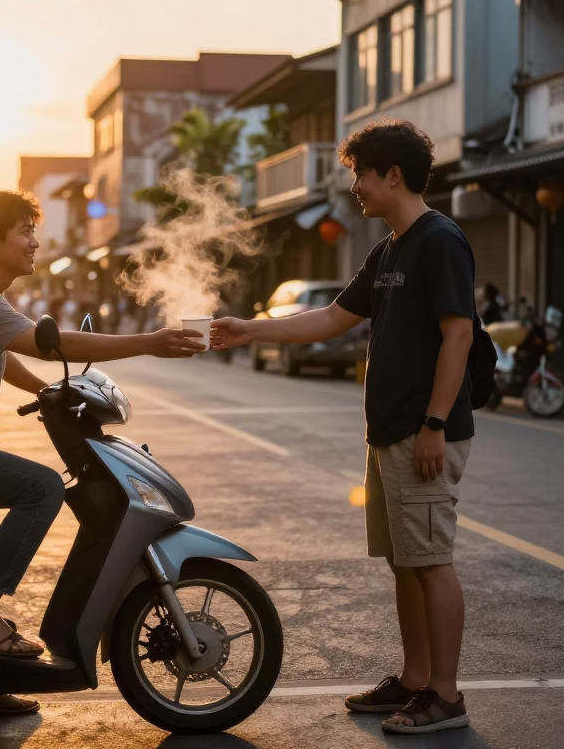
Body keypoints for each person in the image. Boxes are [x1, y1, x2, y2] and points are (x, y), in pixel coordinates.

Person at [212, 119, 475, 735]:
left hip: (422, 431)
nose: (354, 185)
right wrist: (251, 327)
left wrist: (435, 423)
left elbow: (457, 335)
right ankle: (414, 679)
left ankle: (446, 695)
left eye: (360, 173)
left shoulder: (440, 240)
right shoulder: (388, 249)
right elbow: (332, 318)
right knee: (404, 559)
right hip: (388, 432)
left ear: (393, 175)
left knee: (431, 559)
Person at [0, 190, 201, 663]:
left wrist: (45, 391)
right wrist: (149, 342)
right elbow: (43, 344)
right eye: (25, 231)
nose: (35, 242)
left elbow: (3, 352)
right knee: (42, 488)